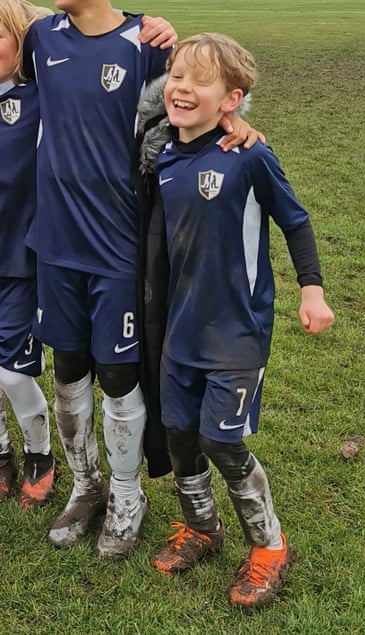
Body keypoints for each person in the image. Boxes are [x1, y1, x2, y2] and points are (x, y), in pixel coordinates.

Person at [136, 33, 334, 608]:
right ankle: (202, 527)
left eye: (199, 81)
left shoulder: (248, 156)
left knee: (221, 439)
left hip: (237, 332)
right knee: (179, 436)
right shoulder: (165, 154)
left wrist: (312, 290)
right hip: (180, 329)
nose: (181, 88)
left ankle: (269, 546)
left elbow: (295, 222)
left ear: (232, 98)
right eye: (176, 76)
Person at [21, 0, 178, 559]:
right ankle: (86, 486)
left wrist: (237, 121)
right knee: (68, 366)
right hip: (56, 241)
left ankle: (127, 493)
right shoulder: (40, 37)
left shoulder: (148, 41)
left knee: (116, 371)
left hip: (117, 242)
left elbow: (185, 116)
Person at [0, 0, 57, 510]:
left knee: (12, 373)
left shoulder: (40, 97)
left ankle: (40, 455)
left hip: (17, 258)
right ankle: (1, 455)